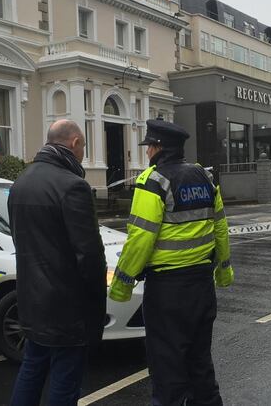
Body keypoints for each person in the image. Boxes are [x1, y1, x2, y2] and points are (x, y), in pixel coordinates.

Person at [109, 118, 234, 406]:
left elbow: (140, 240)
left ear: (158, 148)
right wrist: (224, 271)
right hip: (202, 287)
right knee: (201, 366)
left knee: (168, 373)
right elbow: (221, 228)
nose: (147, 153)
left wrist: (121, 286)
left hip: (167, 292)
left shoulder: (152, 182)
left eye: (149, 147)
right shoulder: (205, 177)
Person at [8, 119, 107, 406]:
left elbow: (21, 240)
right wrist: (96, 306)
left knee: (32, 368)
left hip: (31, 299)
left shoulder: (21, 182)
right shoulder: (73, 186)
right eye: (83, 147)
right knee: (65, 381)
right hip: (66, 306)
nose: (83, 155)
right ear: (75, 143)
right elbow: (89, 255)